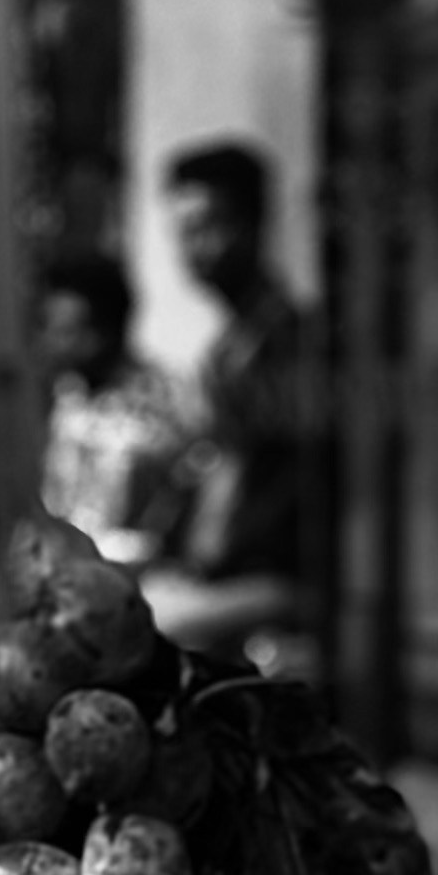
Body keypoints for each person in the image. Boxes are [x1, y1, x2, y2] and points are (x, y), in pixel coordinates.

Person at [146, 135, 321, 658]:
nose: (192, 251)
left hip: (278, 583)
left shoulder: (289, 343)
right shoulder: (230, 346)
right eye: (182, 233)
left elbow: (280, 488)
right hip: (225, 575)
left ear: (253, 225)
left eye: (206, 228)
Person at [36, 249, 186, 565]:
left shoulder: (158, 403)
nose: (49, 343)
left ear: (101, 334)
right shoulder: (70, 398)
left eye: (64, 332)